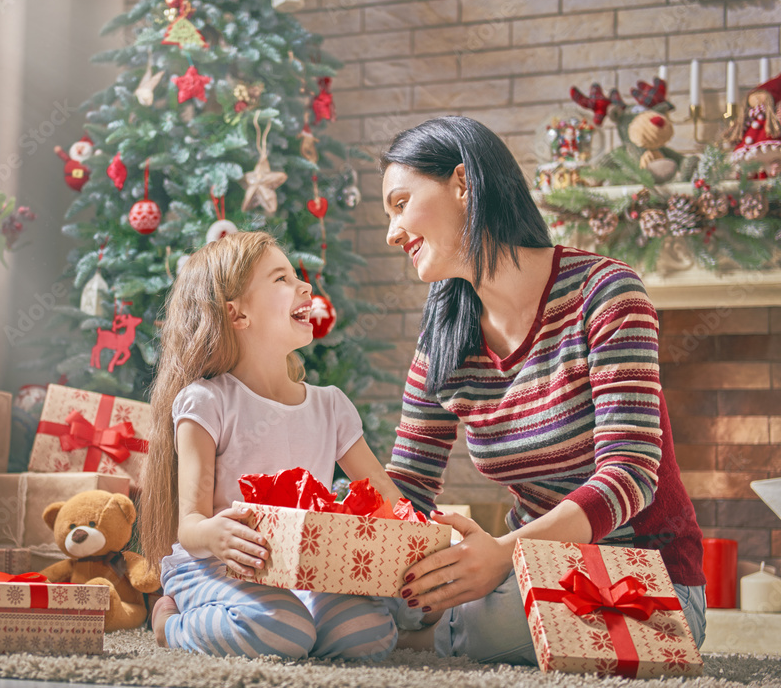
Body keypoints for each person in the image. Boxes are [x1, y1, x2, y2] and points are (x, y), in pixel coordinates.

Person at [378, 116, 707, 663]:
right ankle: (424, 624)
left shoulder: (605, 293)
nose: (392, 233)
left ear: (463, 184)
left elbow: (630, 475)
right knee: (361, 598)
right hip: (522, 569)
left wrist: (501, 556)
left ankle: (434, 631)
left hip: (645, 577)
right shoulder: (444, 334)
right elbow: (409, 485)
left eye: (399, 203)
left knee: (479, 625)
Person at [139, 231, 404, 661]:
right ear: (237, 314)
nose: (305, 286)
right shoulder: (207, 402)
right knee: (281, 628)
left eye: (297, 275)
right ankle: (170, 624)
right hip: (216, 565)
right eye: (281, 278)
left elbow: (386, 498)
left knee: (369, 634)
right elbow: (190, 526)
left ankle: (295, 625)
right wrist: (216, 534)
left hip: (299, 571)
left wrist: (424, 537)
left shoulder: (330, 405)